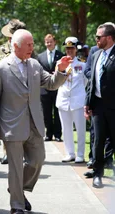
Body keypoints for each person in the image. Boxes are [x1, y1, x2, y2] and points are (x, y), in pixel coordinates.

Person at [0, 29, 71, 214]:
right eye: (29, 45)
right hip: (11, 126)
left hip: (35, 124)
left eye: (33, 44)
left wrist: (61, 71)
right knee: (15, 168)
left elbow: (51, 84)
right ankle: (16, 205)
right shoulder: (0, 68)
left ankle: (16, 188)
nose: (32, 48)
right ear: (15, 46)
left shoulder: (34, 65)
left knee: (38, 160)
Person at [0, 19, 27, 164]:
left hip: (22, 90)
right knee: (6, 122)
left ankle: (22, 152)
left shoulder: (27, 47)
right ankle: (7, 151)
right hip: (5, 91)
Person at [84, 22, 115, 188]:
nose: (96, 39)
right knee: (97, 142)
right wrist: (86, 104)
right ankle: (98, 174)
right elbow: (91, 83)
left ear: (108, 38)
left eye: (98, 37)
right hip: (98, 106)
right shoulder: (96, 54)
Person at [56, 37, 87, 163]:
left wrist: (79, 94)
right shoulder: (60, 62)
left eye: (71, 48)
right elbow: (57, 79)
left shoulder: (82, 64)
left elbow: (85, 81)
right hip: (63, 100)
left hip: (77, 100)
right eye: (67, 48)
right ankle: (69, 153)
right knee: (66, 129)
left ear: (76, 49)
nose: (69, 51)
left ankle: (80, 154)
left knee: (80, 129)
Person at [37, 34, 64, 142]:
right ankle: (48, 134)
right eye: (47, 42)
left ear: (55, 42)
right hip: (44, 89)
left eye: (50, 42)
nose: (49, 44)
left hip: (57, 88)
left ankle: (57, 134)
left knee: (57, 112)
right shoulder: (40, 56)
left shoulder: (61, 55)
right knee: (46, 113)